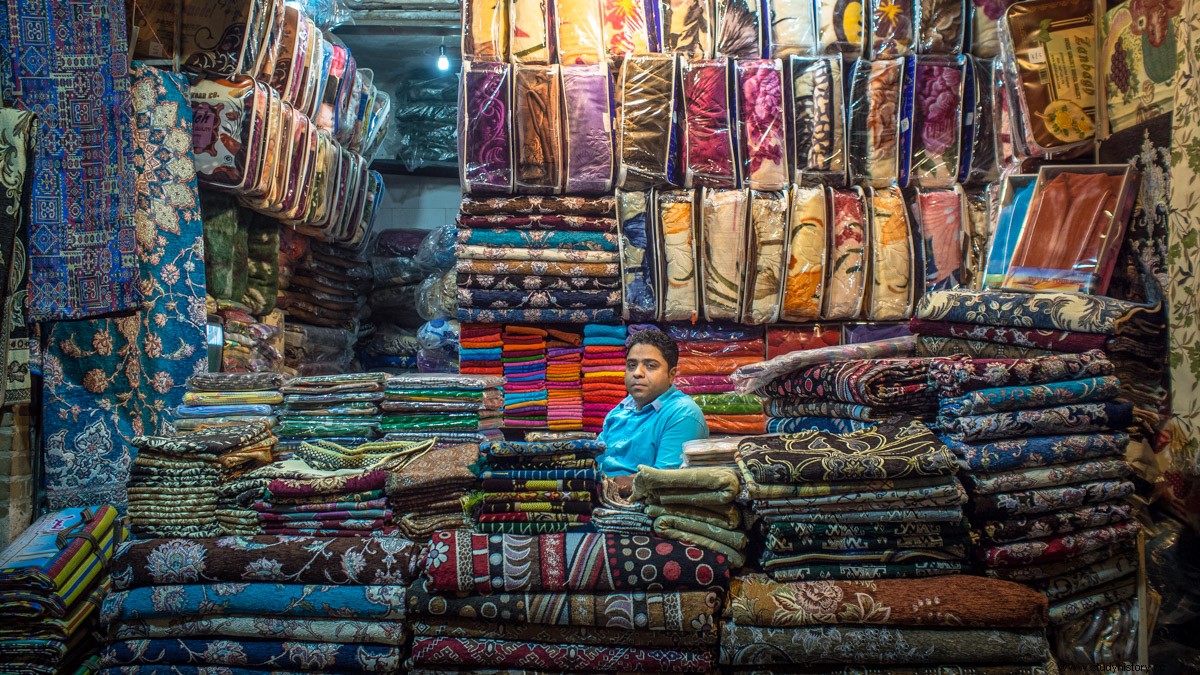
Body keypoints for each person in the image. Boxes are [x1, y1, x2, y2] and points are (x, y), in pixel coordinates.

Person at [597, 329, 709, 490]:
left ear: (671, 375)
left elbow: (664, 481)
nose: (637, 373)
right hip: (603, 501)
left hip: (646, 509)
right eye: (631, 365)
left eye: (650, 366)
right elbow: (594, 462)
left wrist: (600, 485)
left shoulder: (683, 414)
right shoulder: (620, 410)